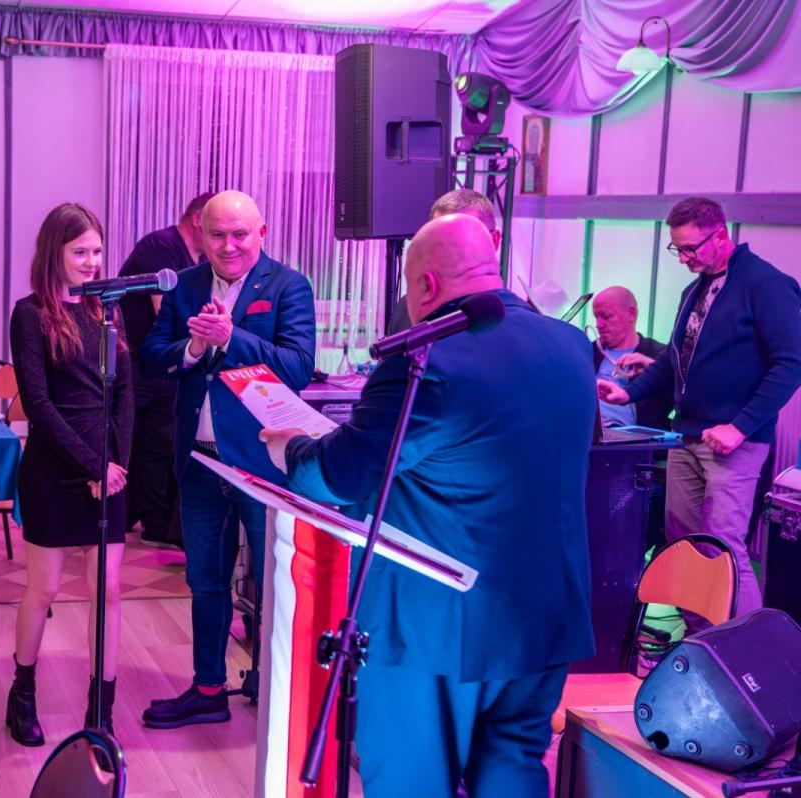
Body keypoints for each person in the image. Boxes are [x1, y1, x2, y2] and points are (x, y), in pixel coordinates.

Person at [262, 213, 596, 797]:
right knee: (513, 766)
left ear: (426, 285)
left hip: (435, 624)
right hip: (545, 612)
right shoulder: (570, 346)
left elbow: (340, 476)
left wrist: (289, 448)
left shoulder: (428, 359)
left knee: (411, 781)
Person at [139, 190, 316, 729]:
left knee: (274, 583)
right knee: (206, 580)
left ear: (261, 233)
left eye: (240, 234)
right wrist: (194, 349)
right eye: (217, 234)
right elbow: (151, 356)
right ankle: (208, 688)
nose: (228, 245)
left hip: (263, 465)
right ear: (201, 233)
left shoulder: (289, 286)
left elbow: (298, 367)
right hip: (200, 463)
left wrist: (231, 338)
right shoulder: (184, 284)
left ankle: (278, 687)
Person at [599, 197, 801, 623]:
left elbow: (791, 364)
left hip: (736, 443)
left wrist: (739, 427)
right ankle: (700, 640)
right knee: (685, 545)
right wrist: (627, 393)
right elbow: (674, 362)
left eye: (690, 248)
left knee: (722, 547)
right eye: (677, 248)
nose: (683, 258)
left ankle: (747, 650)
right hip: (687, 436)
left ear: (720, 235)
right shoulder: (694, 290)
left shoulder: (765, 284)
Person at [6, 203, 134, 745]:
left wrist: (116, 466)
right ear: (53, 252)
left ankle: (101, 710)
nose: (91, 261)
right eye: (80, 251)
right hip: (55, 469)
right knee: (46, 588)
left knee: (108, 590)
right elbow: (37, 403)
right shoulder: (30, 313)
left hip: (108, 471)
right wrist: (91, 464)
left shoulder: (108, 310)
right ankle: (22, 694)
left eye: (97, 251)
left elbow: (125, 395)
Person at [119, 192, 213, 545]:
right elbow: (166, 315)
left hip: (165, 367)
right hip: (138, 364)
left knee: (158, 447)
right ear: (198, 219)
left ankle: (154, 523)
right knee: (132, 445)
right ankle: (131, 518)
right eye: (215, 228)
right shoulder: (161, 246)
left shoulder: (194, 259)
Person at [387, 188, 502, 335]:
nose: (449, 250)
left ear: (494, 241)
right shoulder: (406, 309)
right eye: (438, 239)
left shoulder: (519, 326)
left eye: (462, 237)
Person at [590, 285, 672, 429]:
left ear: (631, 314)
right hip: (591, 432)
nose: (598, 324)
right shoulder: (589, 352)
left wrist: (652, 367)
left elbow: (683, 397)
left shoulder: (660, 356)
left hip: (634, 437)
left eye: (606, 316)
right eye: (596, 317)